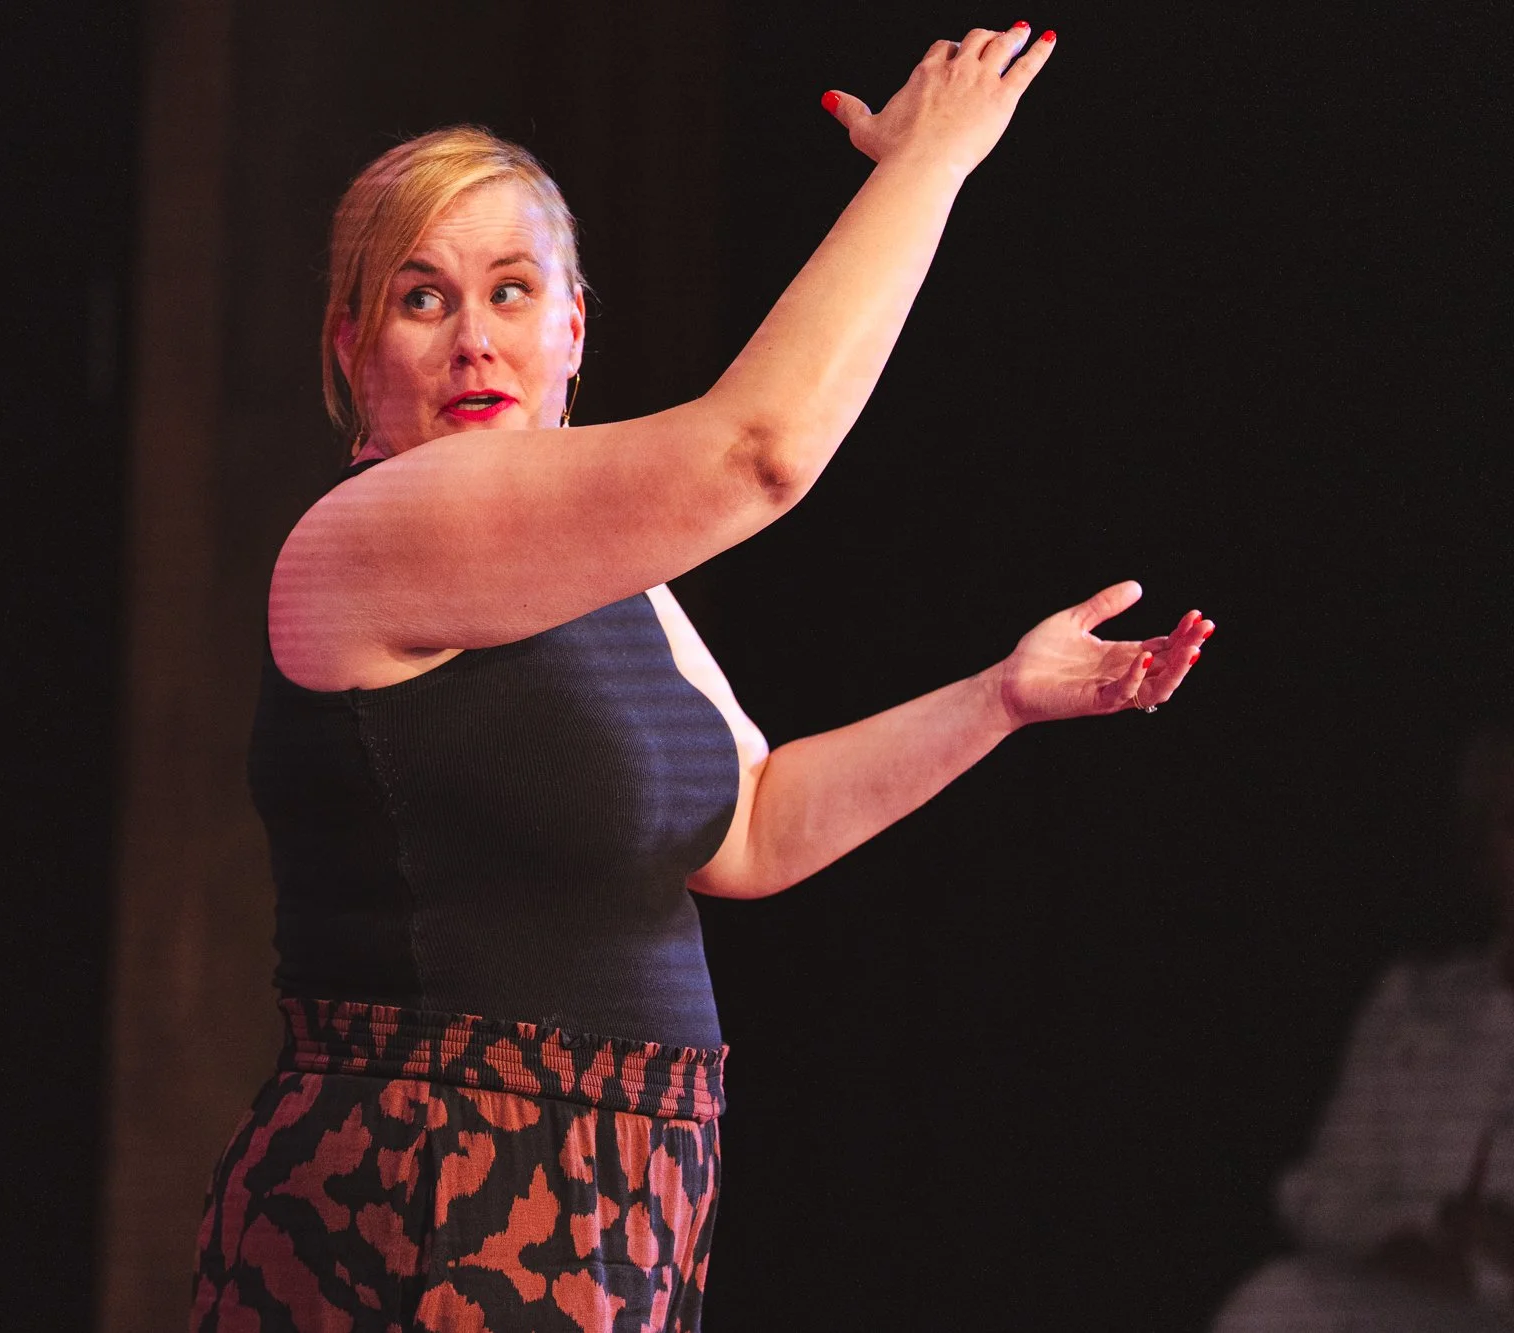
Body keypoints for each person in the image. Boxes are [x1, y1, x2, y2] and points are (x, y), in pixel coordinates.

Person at [191, 23, 1214, 1332]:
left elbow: (758, 825)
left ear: (573, 327)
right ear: (352, 350)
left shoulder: (617, 581)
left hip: (612, 1201)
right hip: (426, 1191)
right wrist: (931, 165)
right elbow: (760, 456)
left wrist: (1002, 696)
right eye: (421, 296)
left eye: (510, 293)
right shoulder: (372, 534)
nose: (472, 342)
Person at [1210, 715, 1514, 1333]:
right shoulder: (1415, 1004)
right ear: (1483, 843)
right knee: (1280, 1298)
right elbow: (1323, 1191)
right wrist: (1406, 1236)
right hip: (1400, 1299)